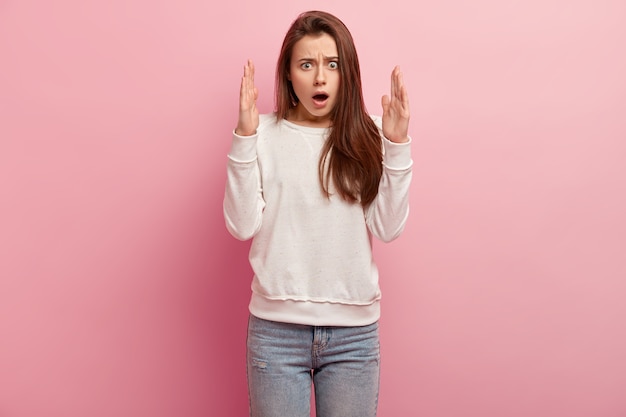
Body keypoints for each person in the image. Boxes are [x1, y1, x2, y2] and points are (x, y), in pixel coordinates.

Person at [223, 10, 412, 417]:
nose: (320, 78)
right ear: (289, 75)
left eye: (332, 64)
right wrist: (243, 138)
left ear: (348, 73)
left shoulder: (371, 134)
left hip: (354, 338)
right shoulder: (265, 135)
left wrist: (396, 146)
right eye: (306, 65)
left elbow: (388, 226)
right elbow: (241, 226)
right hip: (275, 335)